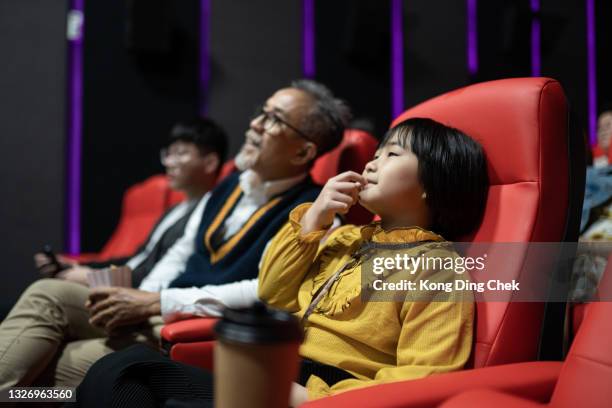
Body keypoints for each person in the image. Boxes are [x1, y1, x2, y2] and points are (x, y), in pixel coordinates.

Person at [73, 117, 489, 407]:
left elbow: (425, 381)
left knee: (130, 375)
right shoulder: (345, 237)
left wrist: (311, 397)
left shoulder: (434, 267)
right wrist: (313, 218)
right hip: (276, 373)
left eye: (393, 154)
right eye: (375, 152)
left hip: (324, 395)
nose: (372, 162)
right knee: (120, 370)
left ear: (432, 186)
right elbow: (273, 290)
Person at [0, 79, 349, 391]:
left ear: (303, 152)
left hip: (190, 328)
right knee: (47, 292)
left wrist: (158, 303)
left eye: (274, 119)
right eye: (262, 112)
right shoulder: (231, 183)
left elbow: (265, 291)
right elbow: (182, 250)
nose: (255, 123)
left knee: (45, 368)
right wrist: (139, 297)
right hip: (155, 308)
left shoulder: (312, 215)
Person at [33, 119, 228, 287]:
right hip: (123, 284)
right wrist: (78, 266)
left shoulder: (209, 214)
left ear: (210, 163)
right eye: (168, 153)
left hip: (136, 293)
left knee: (47, 290)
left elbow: (162, 275)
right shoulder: (173, 211)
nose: (169, 162)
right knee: (48, 286)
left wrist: (93, 278)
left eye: (181, 153)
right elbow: (138, 259)